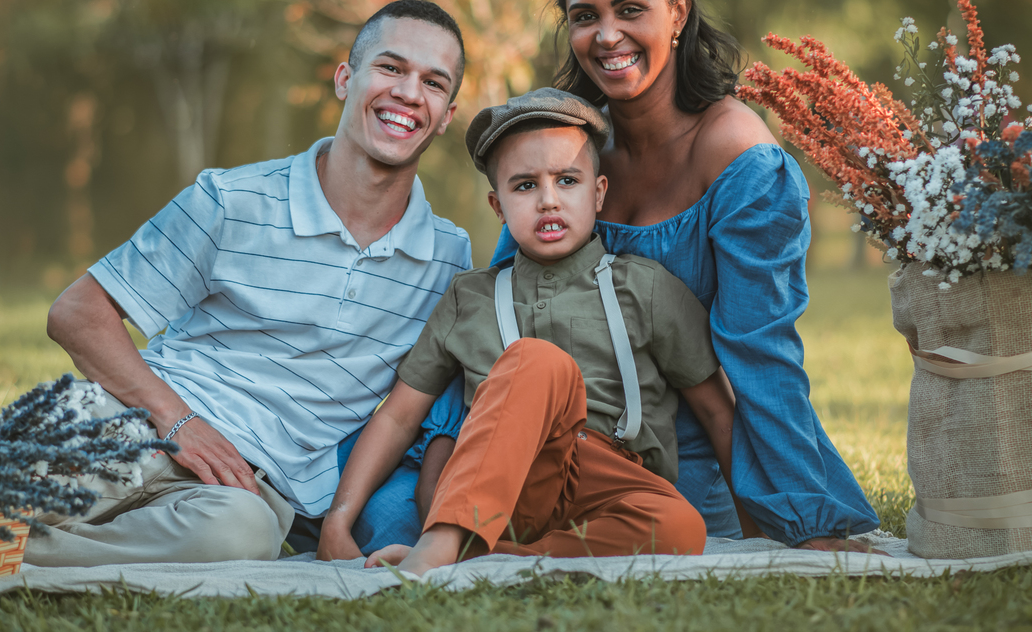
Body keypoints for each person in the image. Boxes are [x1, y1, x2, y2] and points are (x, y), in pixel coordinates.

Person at [25, 0, 473, 567]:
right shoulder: (231, 199)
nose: (409, 93)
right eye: (390, 68)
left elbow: (418, 410)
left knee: (243, 540)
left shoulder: (448, 261)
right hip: (133, 424)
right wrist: (181, 422)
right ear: (344, 79)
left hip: (238, 492)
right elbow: (76, 312)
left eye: (432, 82)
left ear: (448, 113)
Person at [490, 0, 881, 552]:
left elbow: (761, 352)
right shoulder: (568, 153)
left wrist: (801, 521)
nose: (607, 34)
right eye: (585, 16)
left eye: (630, 9)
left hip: (686, 465)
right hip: (555, 450)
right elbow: (502, 299)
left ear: (679, 12)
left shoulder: (735, 154)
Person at [318, 88, 750, 574]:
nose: (548, 201)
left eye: (567, 180)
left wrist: (760, 526)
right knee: (536, 360)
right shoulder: (472, 297)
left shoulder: (645, 288)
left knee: (680, 526)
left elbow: (718, 412)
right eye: (524, 186)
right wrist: (337, 520)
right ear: (497, 206)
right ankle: (440, 545)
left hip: (612, 478)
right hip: (503, 484)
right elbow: (398, 417)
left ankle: (489, 558)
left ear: (599, 193)